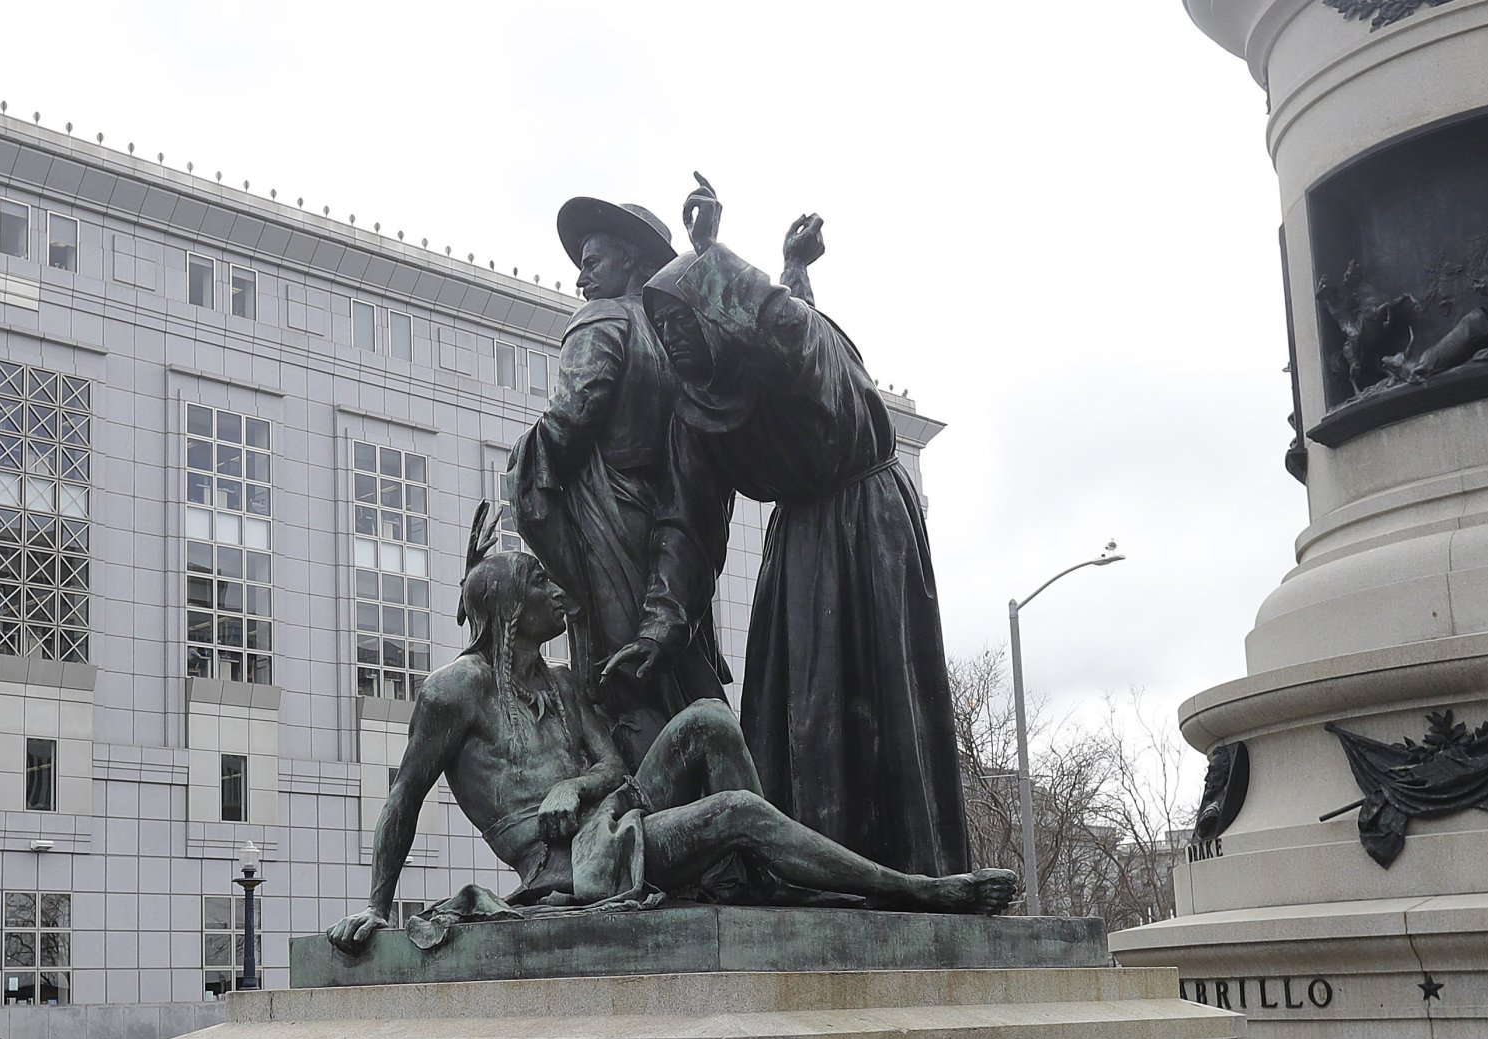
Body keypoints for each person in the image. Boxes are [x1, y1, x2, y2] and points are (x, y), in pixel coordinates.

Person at [324, 510, 1017, 954]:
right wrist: (376, 909)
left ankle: (760, 878)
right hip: (569, 867)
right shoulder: (454, 692)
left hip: (615, 817)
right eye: (540, 585)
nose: (559, 594)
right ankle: (917, 890)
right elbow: (403, 797)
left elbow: (613, 772)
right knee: (738, 811)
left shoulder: (564, 686)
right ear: (506, 609)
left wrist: (576, 782)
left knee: (710, 719)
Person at [641, 175, 973, 879]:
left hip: (868, 525)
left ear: (714, 309)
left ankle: (904, 871)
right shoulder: (694, 413)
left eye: (680, 319)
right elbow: (686, 520)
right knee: (804, 717)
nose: (671, 339)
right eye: (660, 329)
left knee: (876, 705)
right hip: (798, 547)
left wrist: (715, 255)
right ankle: (807, 874)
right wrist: (662, 619)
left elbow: (785, 330)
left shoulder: (786, 346)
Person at [505, 197, 731, 764]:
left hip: (609, 524)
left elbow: (575, 413)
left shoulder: (601, 319)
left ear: (630, 262)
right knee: (672, 674)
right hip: (666, 531)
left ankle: (655, 810)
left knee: (621, 683)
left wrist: (522, 463)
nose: (580, 278)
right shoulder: (671, 338)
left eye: (592, 261)